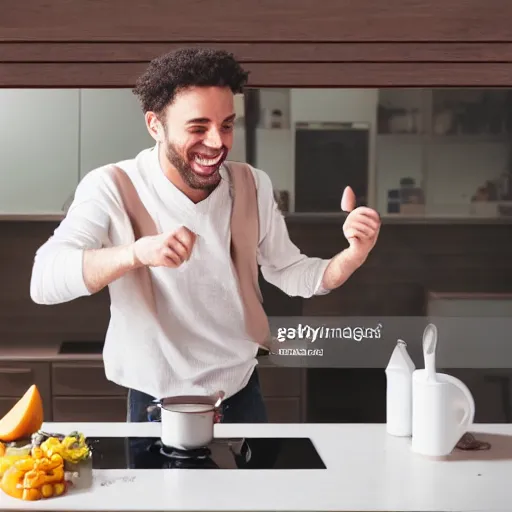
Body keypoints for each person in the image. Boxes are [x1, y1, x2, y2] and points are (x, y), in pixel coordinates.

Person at [29, 47, 381, 424]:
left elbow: (288, 270)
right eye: (198, 128)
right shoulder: (112, 186)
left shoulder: (251, 184)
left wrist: (350, 258)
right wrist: (135, 254)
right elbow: (44, 281)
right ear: (155, 125)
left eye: (227, 125)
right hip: (156, 407)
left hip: (241, 397)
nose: (217, 143)